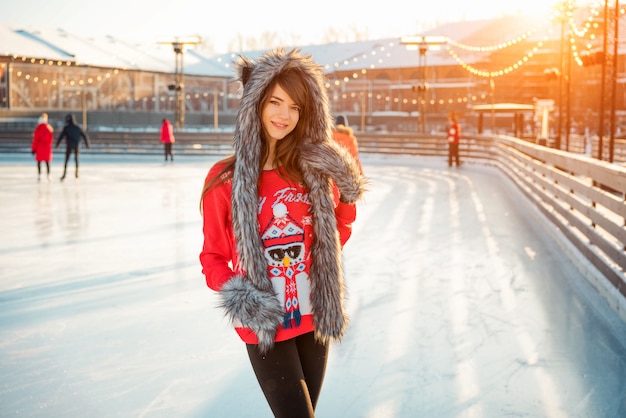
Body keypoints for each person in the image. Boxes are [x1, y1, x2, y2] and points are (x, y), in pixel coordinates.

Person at [199, 49, 365, 418]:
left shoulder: (310, 173)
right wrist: (244, 299)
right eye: (275, 102)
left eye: (295, 107)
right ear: (255, 104)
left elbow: (335, 235)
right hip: (265, 323)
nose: (284, 115)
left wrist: (346, 194)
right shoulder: (225, 180)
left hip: (312, 314)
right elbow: (211, 256)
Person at [55, 113, 90, 180]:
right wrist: (87, 144)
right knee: (76, 159)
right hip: (76, 145)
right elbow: (84, 135)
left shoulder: (67, 128)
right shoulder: (77, 127)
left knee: (67, 160)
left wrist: (57, 144)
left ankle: (64, 174)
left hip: (69, 145)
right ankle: (76, 173)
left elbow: (61, 136)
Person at [31, 113, 54, 181]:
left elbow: (35, 140)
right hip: (47, 148)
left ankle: (39, 175)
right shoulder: (49, 128)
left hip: (39, 148)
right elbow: (51, 140)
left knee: (39, 162)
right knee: (47, 162)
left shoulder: (38, 128)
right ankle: (48, 175)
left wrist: (33, 149)